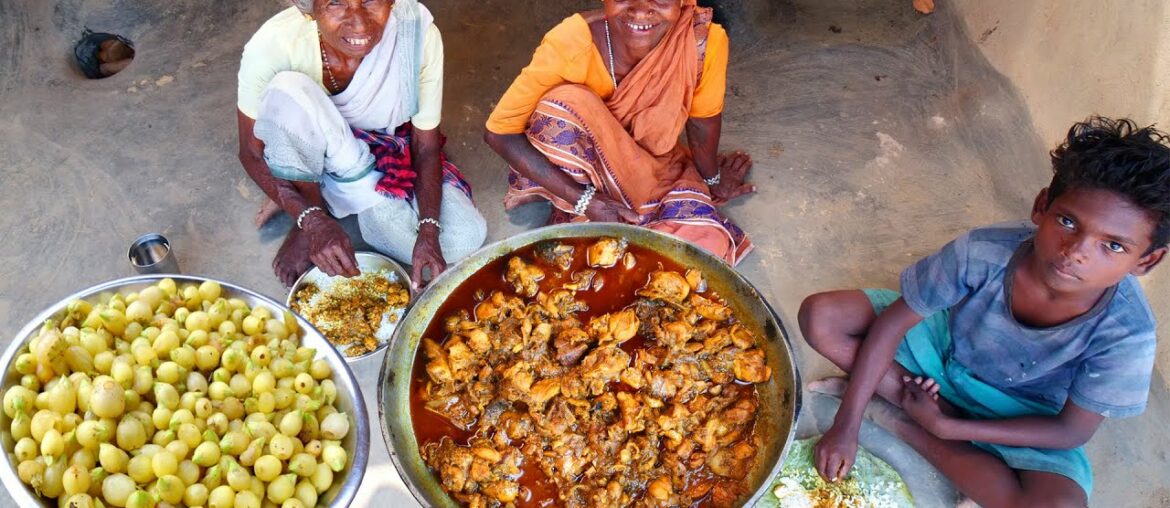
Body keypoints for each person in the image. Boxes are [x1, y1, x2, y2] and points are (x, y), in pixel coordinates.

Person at [798, 117, 1169, 507]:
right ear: (1041, 207)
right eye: (1067, 221)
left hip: (1022, 407)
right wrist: (846, 424)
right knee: (822, 317)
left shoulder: (1128, 333)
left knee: (1058, 505)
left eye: (1112, 246)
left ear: (1146, 260)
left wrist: (948, 426)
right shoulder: (984, 252)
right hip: (943, 354)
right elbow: (895, 322)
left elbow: (1070, 431)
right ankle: (896, 408)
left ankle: (904, 421)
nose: (1077, 252)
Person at [484, 0, 756, 266]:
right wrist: (585, 200)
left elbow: (701, 123)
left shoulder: (700, 41)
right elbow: (500, 133)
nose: (641, 9)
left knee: (705, 248)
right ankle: (576, 207)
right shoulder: (571, 42)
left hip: (653, 167)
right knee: (560, 107)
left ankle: (590, 224)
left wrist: (713, 178)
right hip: (584, 169)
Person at [237, 0, 487, 288]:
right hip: (320, 143)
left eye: (370, 0)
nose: (359, 22)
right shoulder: (273, 45)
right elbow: (251, 153)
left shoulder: (415, 34)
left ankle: (302, 186)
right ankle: (308, 197)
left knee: (467, 237)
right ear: (309, 8)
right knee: (288, 91)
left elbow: (426, 146)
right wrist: (310, 220)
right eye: (336, 3)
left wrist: (428, 231)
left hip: (384, 149)